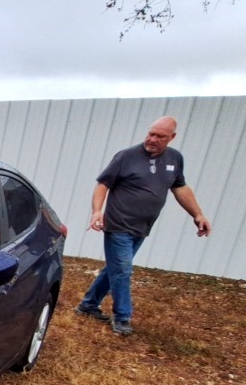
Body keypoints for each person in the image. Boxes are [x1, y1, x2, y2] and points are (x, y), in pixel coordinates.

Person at [75, 116, 211, 336]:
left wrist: (198, 214)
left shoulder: (175, 159)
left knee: (116, 268)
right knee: (123, 270)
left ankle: (88, 305)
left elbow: (180, 188)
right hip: (119, 224)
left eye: (160, 136)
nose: (153, 139)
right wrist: (97, 211)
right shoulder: (126, 157)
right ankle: (122, 317)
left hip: (143, 226)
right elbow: (103, 185)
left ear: (172, 138)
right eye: (151, 133)